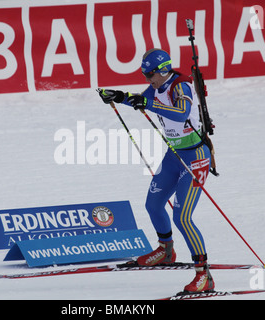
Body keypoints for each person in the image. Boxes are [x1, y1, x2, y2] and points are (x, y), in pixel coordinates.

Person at [98, 48, 214, 293]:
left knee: (182, 218)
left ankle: (204, 275)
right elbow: (140, 100)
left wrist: (147, 102)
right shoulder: (156, 87)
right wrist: (117, 96)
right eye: (144, 74)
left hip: (196, 158)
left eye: (150, 73)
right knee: (153, 204)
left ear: (163, 70)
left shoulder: (180, 86)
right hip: (174, 156)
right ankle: (165, 250)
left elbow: (181, 111)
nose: (147, 78)